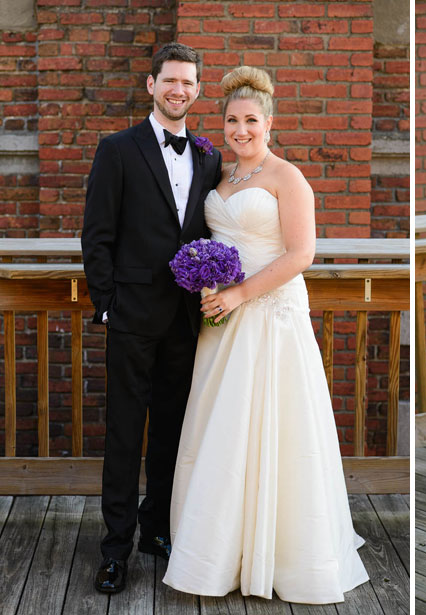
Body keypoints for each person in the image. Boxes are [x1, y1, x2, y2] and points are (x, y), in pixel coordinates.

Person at [161, 66, 369, 603]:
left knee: (277, 429)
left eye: (251, 120)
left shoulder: (286, 177)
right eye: (232, 120)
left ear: (269, 122)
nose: (241, 130)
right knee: (221, 429)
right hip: (221, 321)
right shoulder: (220, 179)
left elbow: (301, 254)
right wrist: (209, 288)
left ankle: (284, 554)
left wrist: (239, 294)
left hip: (269, 313)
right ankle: (217, 551)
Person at [82, 42, 223, 594]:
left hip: (188, 322)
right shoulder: (117, 149)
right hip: (131, 317)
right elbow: (97, 235)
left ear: (197, 90)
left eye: (188, 82)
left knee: (170, 434)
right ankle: (113, 550)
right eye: (170, 81)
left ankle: (156, 531)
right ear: (151, 85)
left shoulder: (209, 157)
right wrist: (108, 302)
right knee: (123, 436)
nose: (178, 90)